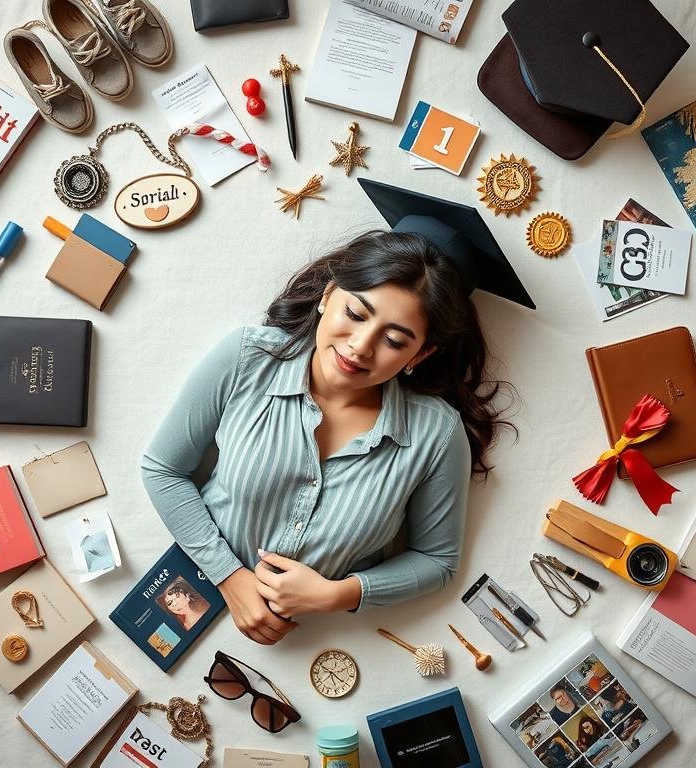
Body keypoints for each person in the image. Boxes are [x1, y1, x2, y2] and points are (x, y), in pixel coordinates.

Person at [142, 181, 532, 646]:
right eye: (356, 312)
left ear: (420, 355)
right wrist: (230, 578)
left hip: (337, 645)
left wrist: (336, 595)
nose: (359, 346)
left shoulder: (436, 435)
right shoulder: (247, 357)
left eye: (394, 340)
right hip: (196, 600)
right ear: (329, 294)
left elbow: (437, 561)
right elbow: (163, 469)